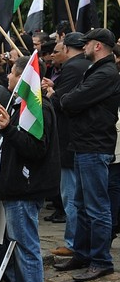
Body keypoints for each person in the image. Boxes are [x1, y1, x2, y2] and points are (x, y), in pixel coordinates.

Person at [0, 77, 59, 282]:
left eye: (13, 74)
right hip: (16, 189)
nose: (8, 79)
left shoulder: (38, 108)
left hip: (24, 190)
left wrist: (8, 128)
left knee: (27, 249)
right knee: (21, 248)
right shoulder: (22, 106)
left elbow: (35, 149)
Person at [51, 28, 120, 282]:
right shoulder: (95, 69)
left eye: (88, 43)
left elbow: (70, 101)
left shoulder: (106, 73)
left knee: (97, 207)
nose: (84, 46)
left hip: (94, 146)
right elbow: (70, 99)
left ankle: (101, 260)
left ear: (99, 46)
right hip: (83, 144)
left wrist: (66, 98)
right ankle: (82, 253)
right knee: (80, 205)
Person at [44, 33, 90, 258]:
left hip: (69, 140)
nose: (54, 54)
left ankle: (73, 242)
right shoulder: (85, 66)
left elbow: (62, 101)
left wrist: (52, 93)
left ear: (68, 49)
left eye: (58, 50)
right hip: (78, 139)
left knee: (71, 195)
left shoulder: (74, 67)